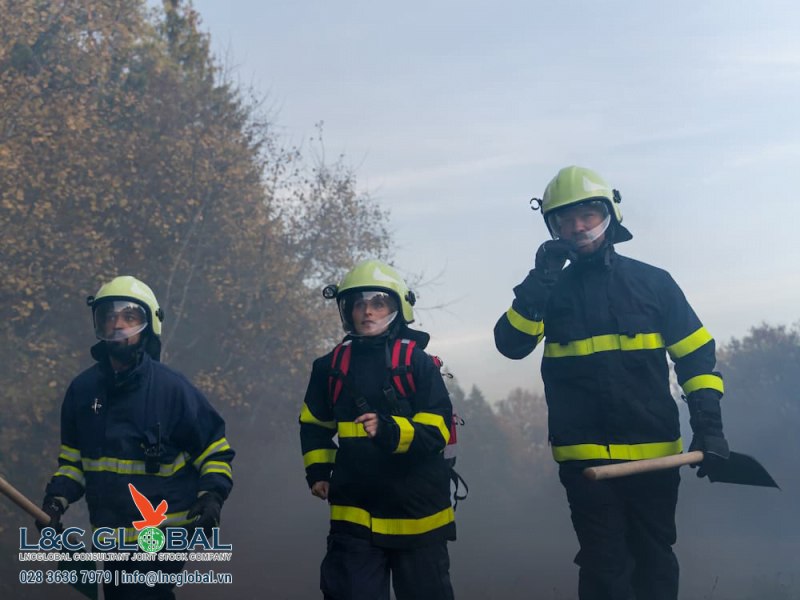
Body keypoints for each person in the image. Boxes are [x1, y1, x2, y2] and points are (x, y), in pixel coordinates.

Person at [494, 166, 729, 600]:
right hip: (586, 466)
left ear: (610, 215)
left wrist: (709, 428)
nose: (579, 227)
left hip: (655, 458)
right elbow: (510, 344)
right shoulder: (549, 291)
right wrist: (537, 283)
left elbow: (696, 360)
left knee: (655, 561)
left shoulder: (653, 283)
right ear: (553, 228)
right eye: (566, 220)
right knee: (605, 568)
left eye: (588, 214)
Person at [39, 275, 235, 599]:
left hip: (162, 535)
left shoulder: (172, 390)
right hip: (112, 538)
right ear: (98, 324)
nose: (118, 324)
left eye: (129, 316)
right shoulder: (82, 392)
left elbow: (214, 450)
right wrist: (55, 501)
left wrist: (212, 496)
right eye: (109, 316)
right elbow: (73, 463)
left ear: (148, 327)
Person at [300, 259, 456, 600]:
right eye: (358, 303)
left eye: (378, 302)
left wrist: (389, 431)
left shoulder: (417, 362)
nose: (367, 311)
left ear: (397, 307)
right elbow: (314, 425)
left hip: (418, 518)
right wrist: (318, 471)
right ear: (347, 310)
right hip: (355, 518)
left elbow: (438, 430)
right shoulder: (328, 367)